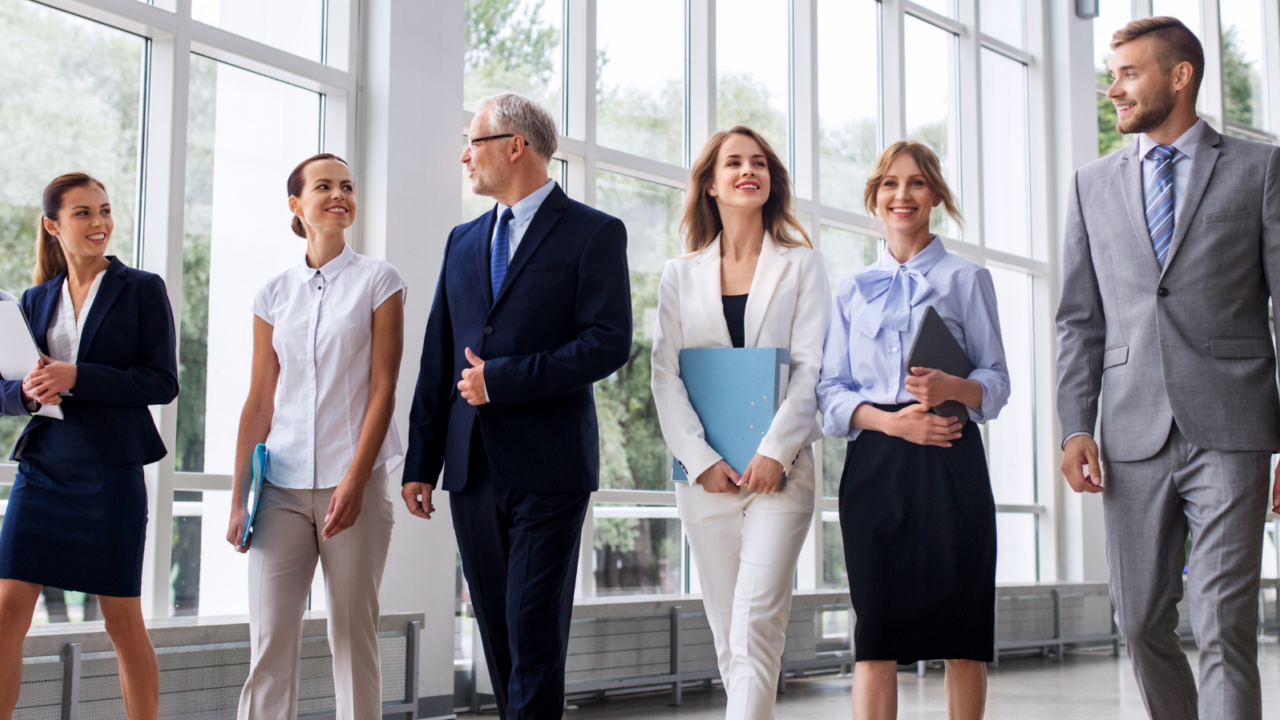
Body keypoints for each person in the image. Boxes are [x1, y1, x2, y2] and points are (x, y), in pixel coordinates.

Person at [1058, 17, 1280, 720]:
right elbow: (1077, 320)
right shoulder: (1092, 184)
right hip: (1129, 431)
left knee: (1223, 624)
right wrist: (1073, 426)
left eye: (1128, 74)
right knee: (1140, 621)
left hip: (1233, 426)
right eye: (1111, 74)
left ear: (1179, 76)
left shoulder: (1259, 169)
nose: (1111, 89)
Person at [401, 92, 631, 719]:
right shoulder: (463, 240)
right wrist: (421, 462)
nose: (463, 157)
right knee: (497, 635)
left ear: (513, 146)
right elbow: (438, 357)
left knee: (531, 628)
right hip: (472, 466)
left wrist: (504, 380)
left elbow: (608, 343)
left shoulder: (594, 232)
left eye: (472, 143)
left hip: (550, 466)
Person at [817, 141, 1009, 720]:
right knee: (875, 634)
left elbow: (996, 382)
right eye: (891, 184)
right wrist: (893, 423)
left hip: (952, 460)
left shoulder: (967, 279)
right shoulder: (851, 290)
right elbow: (829, 395)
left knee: (963, 632)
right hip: (877, 464)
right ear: (875, 198)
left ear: (935, 195)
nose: (903, 195)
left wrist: (952, 389)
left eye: (918, 183)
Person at [649, 126, 829, 720]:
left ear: (770, 181)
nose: (747, 170)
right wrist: (701, 462)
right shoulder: (680, 274)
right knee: (732, 638)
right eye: (733, 163)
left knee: (755, 623)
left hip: (781, 474)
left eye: (758, 162)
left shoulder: (802, 266)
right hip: (707, 481)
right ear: (711, 185)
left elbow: (811, 370)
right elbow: (664, 375)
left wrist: (776, 450)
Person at [226, 154, 406, 720]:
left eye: (347, 187)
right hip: (278, 487)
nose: (339, 195)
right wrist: (238, 499)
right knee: (270, 642)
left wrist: (355, 481)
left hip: (351, 484)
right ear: (296, 205)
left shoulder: (381, 281)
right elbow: (259, 400)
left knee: (353, 639)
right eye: (323, 186)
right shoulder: (272, 295)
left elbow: (384, 390)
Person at [0, 173, 179, 720]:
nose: (99, 223)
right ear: (53, 226)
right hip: (44, 467)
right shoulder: (32, 300)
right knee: (6, 614)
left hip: (109, 472)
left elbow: (160, 382)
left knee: (122, 620)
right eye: (82, 213)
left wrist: (78, 376)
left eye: (103, 210)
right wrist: (28, 393)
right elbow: (5, 390)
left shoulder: (142, 288)